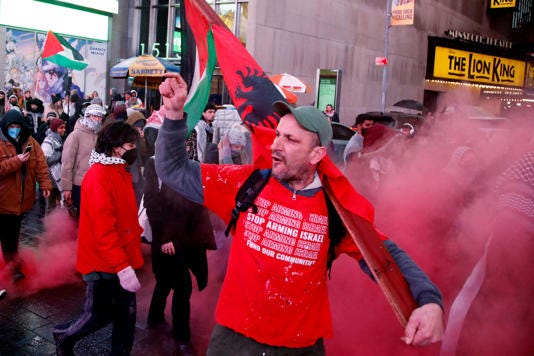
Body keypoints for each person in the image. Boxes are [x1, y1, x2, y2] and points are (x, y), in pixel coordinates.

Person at [155, 73, 443, 354]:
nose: (276, 145)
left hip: (301, 347)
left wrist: (429, 301)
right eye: (278, 134)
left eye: (291, 140)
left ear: (317, 155)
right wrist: (174, 113)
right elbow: (172, 169)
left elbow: (384, 255)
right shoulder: (246, 183)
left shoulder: (337, 211)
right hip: (233, 341)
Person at [53, 120, 143, 356]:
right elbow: (104, 231)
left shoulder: (118, 170)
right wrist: (123, 268)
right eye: (130, 144)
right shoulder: (100, 176)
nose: (134, 149)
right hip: (104, 263)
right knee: (98, 314)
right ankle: (64, 336)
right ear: (115, 147)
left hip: (120, 257)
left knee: (127, 316)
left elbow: (123, 217)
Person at [144, 156, 217, 352]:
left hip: (189, 236)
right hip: (168, 238)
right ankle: (181, 336)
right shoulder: (156, 162)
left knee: (166, 281)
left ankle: (155, 316)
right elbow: (152, 203)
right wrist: (165, 237)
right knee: (182, 286)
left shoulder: (192, 163)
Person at [0, 109, 52, 282]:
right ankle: (14, 268)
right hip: (4, 199)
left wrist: (45, 183)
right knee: (8, 234)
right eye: (11, 126)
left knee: (13, 233)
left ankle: (12, 262)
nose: (14, 129)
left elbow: (40, 164)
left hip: (23, 198)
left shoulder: (29, 142)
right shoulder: (1, 142)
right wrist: (16, 161)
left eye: (17, 126)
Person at [61, 104, 106, 218]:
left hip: (96, 183)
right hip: (79, 184)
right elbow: (67, 163)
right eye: (94, 116)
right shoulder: (75, 135)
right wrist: (66, 188)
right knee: (80, 217)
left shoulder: (100, 135)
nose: (97, 119)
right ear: (87, 116)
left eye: (99, 117)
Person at [41, 118, 67, 211]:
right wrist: (60, 153)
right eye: (61, 128)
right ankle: (49, 224)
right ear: (55, 128)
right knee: (51, 205)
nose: (64, 130)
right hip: (51, 177)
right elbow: (45, 160)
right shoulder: (48, 141)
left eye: (64, 127)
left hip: (58, 176)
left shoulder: (59, 139)